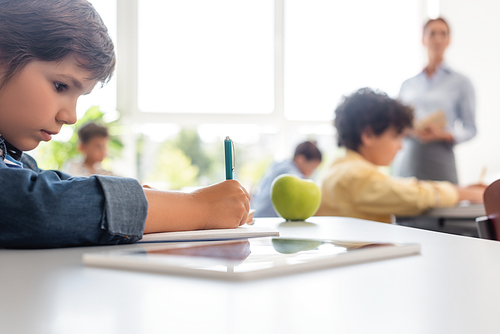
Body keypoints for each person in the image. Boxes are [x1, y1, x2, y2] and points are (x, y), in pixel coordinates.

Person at [0, 0, 250, 249]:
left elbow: (57, 187)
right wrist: (199, 208)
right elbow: (33, 206)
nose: (71, 116)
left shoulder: (13, 158)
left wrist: (163, 205)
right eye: (60, 86)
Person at [316, 88, 484, 224]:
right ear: (368, 136)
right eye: (396, 136)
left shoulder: (337, 167)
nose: (401, 146)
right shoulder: (355, 175)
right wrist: (465, 193)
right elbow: (413, 196)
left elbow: (396, 186)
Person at [392, 17, 476, 184]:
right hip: (409, 158)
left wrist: (445, 134)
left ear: (448, 40)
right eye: (432, 34)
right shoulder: (408, 84)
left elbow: (470, 128)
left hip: (441, 160)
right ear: (423, 39)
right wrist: (409, 130)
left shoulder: (461, 83)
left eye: (443, 34)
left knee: (445, 204)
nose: (437, 39)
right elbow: (396, 124)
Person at [251, 141, 322, 217]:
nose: (312, 172)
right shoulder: (289, 174)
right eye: (313, 167)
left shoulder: (279, 165)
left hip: (257, 212)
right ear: (301, 159)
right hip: (268, 217)